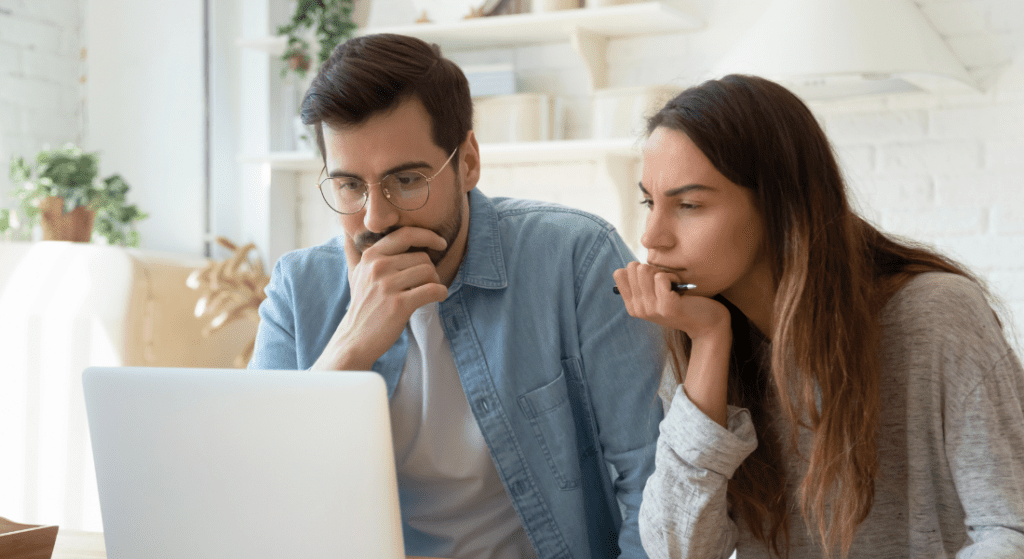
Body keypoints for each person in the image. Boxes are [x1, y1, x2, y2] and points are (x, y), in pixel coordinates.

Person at [248, 33, 665, 559]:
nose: (377, 218)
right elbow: (260, 498)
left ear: (467, 161)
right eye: (351, 185)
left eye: (407, 179)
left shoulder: (576, 258)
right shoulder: (297, 290)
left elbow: (653, 483)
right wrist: (350, 346)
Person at [612, 74, 1024, 559]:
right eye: (648, 201)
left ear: (779, 205)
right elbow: (680, 551)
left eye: (689, 205)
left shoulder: (935, 313)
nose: (652, 237)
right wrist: (707, 342)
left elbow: (1010, 530)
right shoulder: (700, 332)